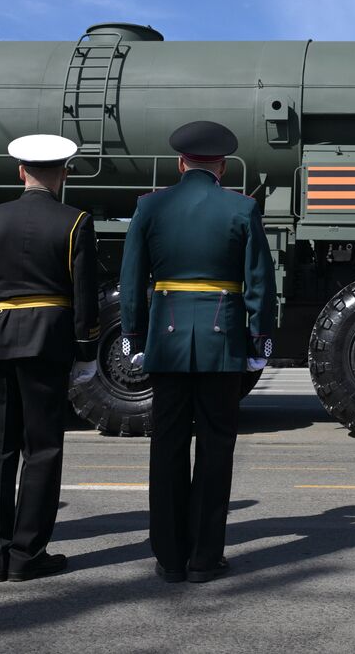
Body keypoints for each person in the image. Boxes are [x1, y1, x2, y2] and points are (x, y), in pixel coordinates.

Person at [120, 120, 276, 583]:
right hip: (220, 337)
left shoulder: (150, 207)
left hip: (166, 338)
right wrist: (259, 338)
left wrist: (134, 334)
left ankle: (169, 556)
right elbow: (260, 283)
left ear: (179, 162)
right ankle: (205, 556)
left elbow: (132, 280)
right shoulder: (242, 209)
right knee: (215, 447)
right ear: (222, 167)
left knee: (166, 446)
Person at [0, 134, 99, 582]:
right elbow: (84, 294)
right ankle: (27, 555)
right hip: (47, 343)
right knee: (42, 449)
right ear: (63, 173)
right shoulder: (75, 221)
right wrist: (86, 350)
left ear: (21, 171)